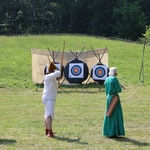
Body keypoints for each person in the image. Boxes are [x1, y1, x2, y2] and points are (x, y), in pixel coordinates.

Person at [102, 67, 125, 138]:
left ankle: (107, 131)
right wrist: (120, 87)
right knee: (115, 114)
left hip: (109, 97)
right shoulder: (114, 79)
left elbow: (107, 89)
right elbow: (119, 90)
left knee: (108, 113)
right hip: (114, 97)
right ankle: (113, 132)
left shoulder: (107, 79)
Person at [42, 62, 61, 138]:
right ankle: (50, 132)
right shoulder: (48, 77)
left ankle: (47, 130)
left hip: (48, 98)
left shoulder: (51, 77)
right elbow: (58, 73)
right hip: (49, 98)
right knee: (49, 115)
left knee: (47, 114)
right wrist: (57, 69)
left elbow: (57, 75)